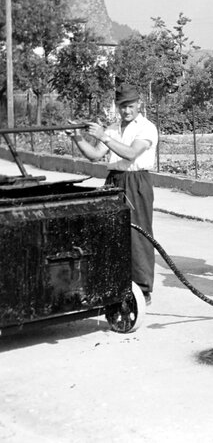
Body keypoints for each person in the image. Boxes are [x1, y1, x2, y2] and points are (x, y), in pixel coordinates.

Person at [67, 85, 158, 306]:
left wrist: (104, 137)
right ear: (117, 107)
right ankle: (115, 282)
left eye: (130, 106)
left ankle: (143, 289)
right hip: (114, 180)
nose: (126, 111)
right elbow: (95, 155)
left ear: (139, 104)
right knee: (111, 233)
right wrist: (78, 138)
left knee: (138, 235)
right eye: (122, 107)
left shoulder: (147, 128)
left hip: (136, 181)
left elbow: (130, 153)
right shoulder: (113, 127)